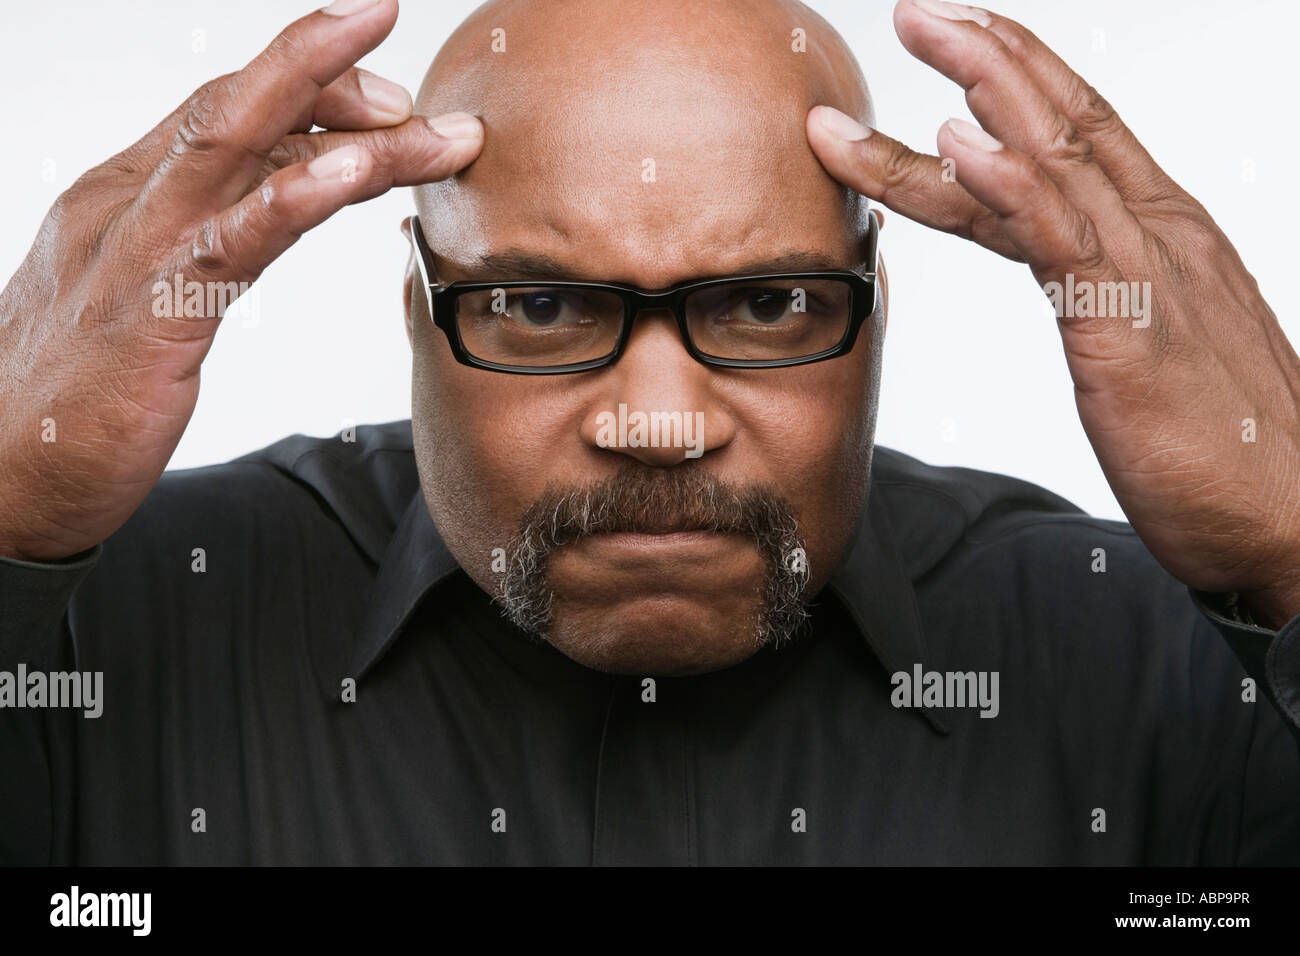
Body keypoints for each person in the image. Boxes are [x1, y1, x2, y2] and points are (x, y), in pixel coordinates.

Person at [1, 0, 1298, 865]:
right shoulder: (111, 630)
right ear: (418, 310)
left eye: (773, 302)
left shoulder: (1149, 666)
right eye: (544, 305)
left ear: (878, 308)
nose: (658, 423)